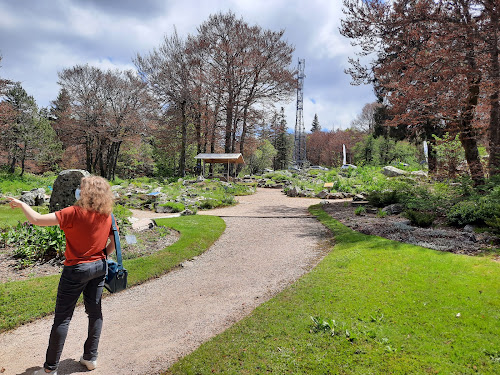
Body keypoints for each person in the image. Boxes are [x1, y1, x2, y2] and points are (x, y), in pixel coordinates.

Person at [7, 176, 116, 375]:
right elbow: (114, 242)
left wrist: (22, 203)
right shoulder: (107, 215)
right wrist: (101, 256)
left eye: (81, 188)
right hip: (99, 267)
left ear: (86, 193)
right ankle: (91, 358)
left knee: (63, 318)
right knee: (95, 312)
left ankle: (50, 369)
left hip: (76, 270)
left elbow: (37, 220)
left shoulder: (73, 213)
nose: (78, 191)